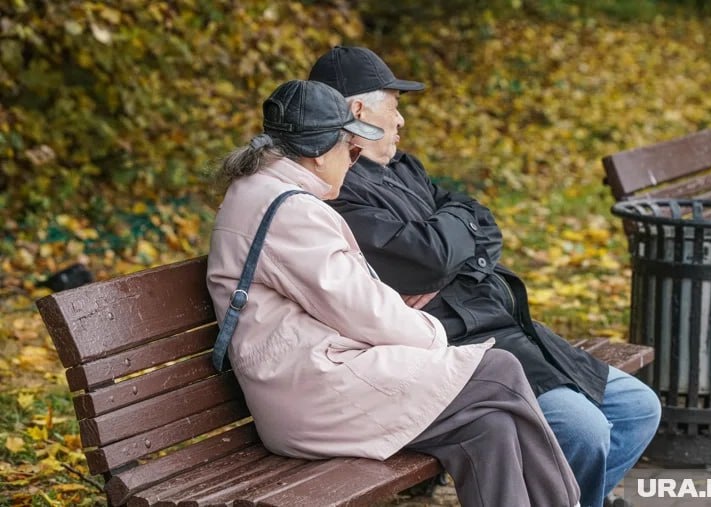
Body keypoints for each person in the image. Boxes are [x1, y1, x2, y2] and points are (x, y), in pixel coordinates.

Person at [309, 46, 662, 507]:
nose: (401, 120)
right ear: (359, 111)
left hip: (503, 321)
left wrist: (451, 252)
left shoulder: (403, 167)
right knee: (583, 429)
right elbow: (428, 259)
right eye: (394, 107)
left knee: (638, 408)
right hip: (457, 344)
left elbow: (481, 223)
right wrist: (450, 246)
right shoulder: (336, 190)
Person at [206, 79, 580, 507]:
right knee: (498, 370)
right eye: (350, 150)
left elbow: (347, 301)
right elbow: (364, 310)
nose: (352, 162)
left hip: (316, 379)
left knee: (488, 426)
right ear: (317, 153)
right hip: (314, 397)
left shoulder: (263, 193)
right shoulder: (289, 211)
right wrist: (435, 335)